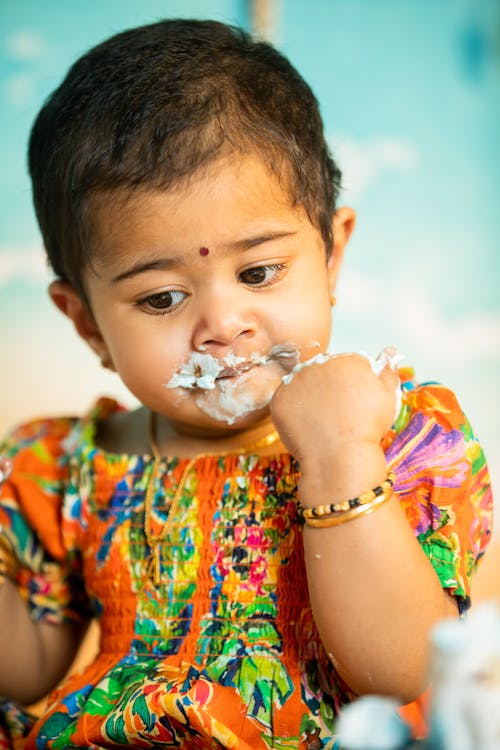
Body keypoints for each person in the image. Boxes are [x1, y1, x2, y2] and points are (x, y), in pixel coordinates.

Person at [0, 18, 493, 750]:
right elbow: (28, 671)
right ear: (88, 325)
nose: (223, 324)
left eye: (259, 273)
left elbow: (403, 674)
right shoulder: (69, 466)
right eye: (162, 299)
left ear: (331, 255)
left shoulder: (397, 432)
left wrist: (338, 460)